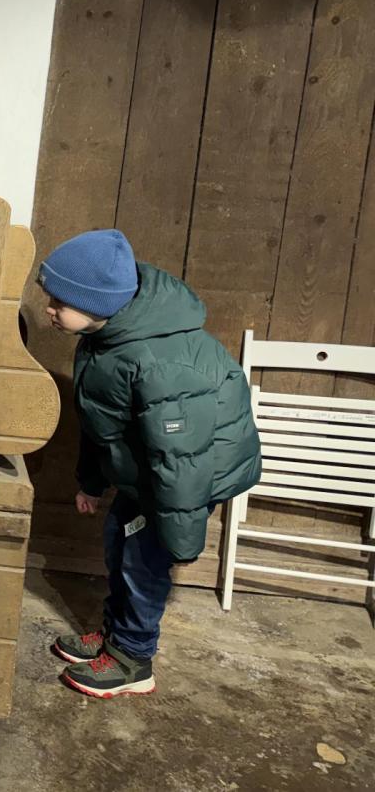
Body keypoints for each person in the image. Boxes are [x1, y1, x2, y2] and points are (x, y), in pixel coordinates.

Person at [36, 229, 261, 698]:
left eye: (59, 301)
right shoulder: (103, 340)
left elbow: (183, 458)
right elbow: (101, 422)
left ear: (95, 302)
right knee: (118, 548)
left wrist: (179, 536)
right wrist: (91, 483)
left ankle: (133, 661)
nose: (49, 310)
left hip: (189, 477)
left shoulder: (159, 362)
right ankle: (116, 635)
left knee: (143, 565)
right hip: (151, 471)